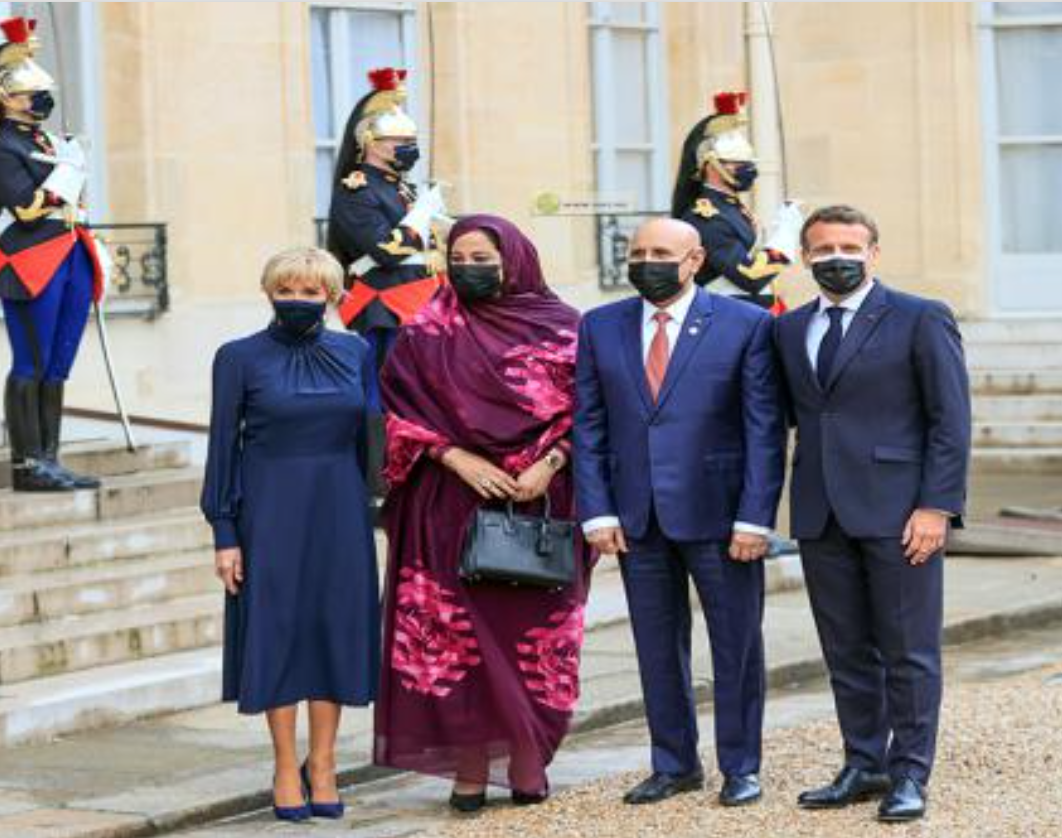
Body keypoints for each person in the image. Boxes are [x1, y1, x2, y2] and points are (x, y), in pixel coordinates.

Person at [375, 214, 589, 813]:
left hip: (542, 504)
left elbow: (593, 410)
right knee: (460, 643)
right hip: (447, 505)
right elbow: (395, 412)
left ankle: (526, 760)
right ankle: (468, 769)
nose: (467, 268)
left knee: (531, 635)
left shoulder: (565, 327)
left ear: (515, 258)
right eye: (458, 256)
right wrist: (455, 457)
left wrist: (545, 465)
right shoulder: (424, 330)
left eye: (482, 257)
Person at [573, 217, 785, 808]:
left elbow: (764, 430)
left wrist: (755, 518)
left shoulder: (745, 324)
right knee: (656, 646)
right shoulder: (599, 326)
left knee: (736, 645)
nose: (647, 261)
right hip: (636, 520)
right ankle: (674, 763)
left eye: (661, 252)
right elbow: (587, 425)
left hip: (721, 519)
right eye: (638, 252)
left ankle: (741, 765)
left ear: (694, 261)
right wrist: (597, 512)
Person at [771, 205, 972, 823]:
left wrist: (937, 506)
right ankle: (865, 761)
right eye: (823, 247)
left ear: (873, 253)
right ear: (805, 257)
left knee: (908, 649)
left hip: (900, 511)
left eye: (850, 246)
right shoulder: (787, 328)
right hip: (820, 510)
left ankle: (910, 772)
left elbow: (950, 419)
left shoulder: (920, 317)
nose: (837, 257)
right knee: (846, 648)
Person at [201, 247, 381, 823]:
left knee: (333, 631)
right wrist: (224, 532)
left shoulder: (356, 351)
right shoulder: (237, 357)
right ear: (268, 292)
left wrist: (376, 508)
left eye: (310, 291)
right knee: (277, 631)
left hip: (339, 510)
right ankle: (284, 766)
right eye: (287, 290)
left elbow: (370, 438)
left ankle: (324, 764)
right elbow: (222, 448)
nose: (298, 300)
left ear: (331, 295)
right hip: (268, 511)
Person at [0, 15, 105, 492]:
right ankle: (28, 465)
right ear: (6, 96)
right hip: (27, 262)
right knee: (31, 360)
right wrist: (66, 175)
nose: (40, 101)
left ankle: (51, 457)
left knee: (58, 362)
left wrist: (67, 164)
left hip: (67, 254)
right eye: (32, 94)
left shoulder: (46, 142)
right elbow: (27, 208)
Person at [326, 67, 446, 494]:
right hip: (383, 304)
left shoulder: (402, 189)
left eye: (410, 141)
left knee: (424, 391)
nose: (408, 148)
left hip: (421, 300)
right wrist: (420, 222)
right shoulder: (357, 189)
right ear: (370, 144)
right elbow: (383, 250)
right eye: (399, 141)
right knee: (387, 394)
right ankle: (382, 478)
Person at [671, 91, 800, 313]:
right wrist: (786, 236)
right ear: (711, 166)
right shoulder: (705, 217)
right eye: (736, 163)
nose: (747, 169)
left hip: (752, 312)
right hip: (727, 318)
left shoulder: (729, 206)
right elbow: (750, 276)